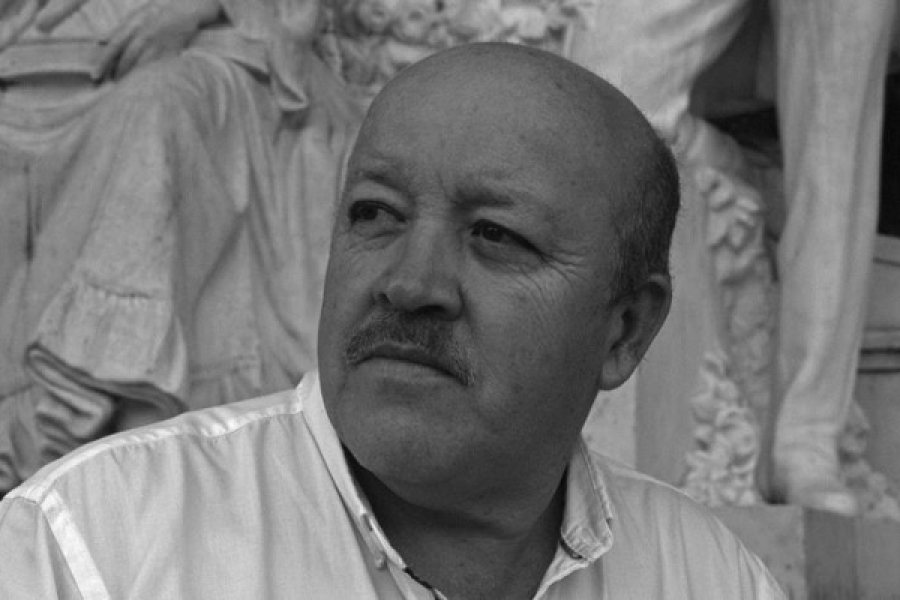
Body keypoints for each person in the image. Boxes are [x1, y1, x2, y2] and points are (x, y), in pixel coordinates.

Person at [0, 43, 784, 598]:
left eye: (496, 235)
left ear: (625, 331)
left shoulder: (711, 580)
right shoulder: (89, 550)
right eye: (375, 215)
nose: (410, 285)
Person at [0, 0, 360, 494]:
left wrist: (191, 9)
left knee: (158, 107)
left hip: (221, 50)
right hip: (42, 68)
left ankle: (116, 420)